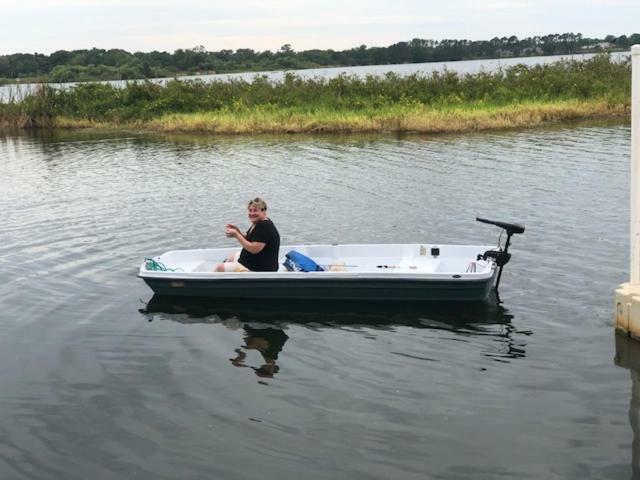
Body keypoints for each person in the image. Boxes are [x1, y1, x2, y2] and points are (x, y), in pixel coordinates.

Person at [215, 197, 280, 272]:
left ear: (263, 211)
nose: (252, 213)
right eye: (250, 210)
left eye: (255, 210)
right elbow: (252, 238)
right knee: (232, 257)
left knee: (220, 268)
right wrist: (238, 231)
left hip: (260, 269)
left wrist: (237, 235)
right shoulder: (259, 222)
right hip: (254, 261)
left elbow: (254, 249)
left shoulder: (264, 226)